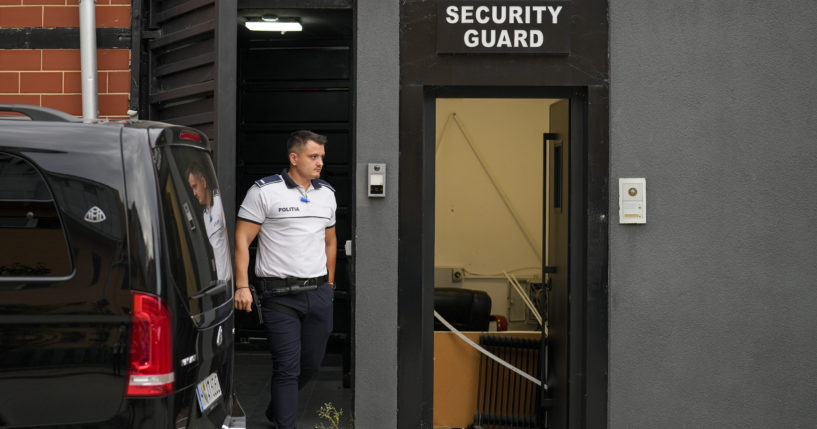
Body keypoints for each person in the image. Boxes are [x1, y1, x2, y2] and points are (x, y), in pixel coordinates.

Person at [233, 130, 337, 429]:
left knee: (312, 365)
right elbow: (242, 238)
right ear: (294, 158)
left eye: (321, 158)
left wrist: (329, 284)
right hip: (279, 297)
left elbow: (331, 241)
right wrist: (242, 285)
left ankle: (277, 408)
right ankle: (284, 423)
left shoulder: (326, 193)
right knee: (287, 369)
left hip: (318, 293)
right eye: (313, 156)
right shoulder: (265, 191)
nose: (319, 163)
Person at [186, 161, 231, 281]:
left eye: (195, 186)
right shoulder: (205, 215)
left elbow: (230, 242)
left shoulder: (220, 202)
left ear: (203, 182)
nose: (194, 193)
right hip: (221, 284)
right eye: (192, 188)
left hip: (231, 283)